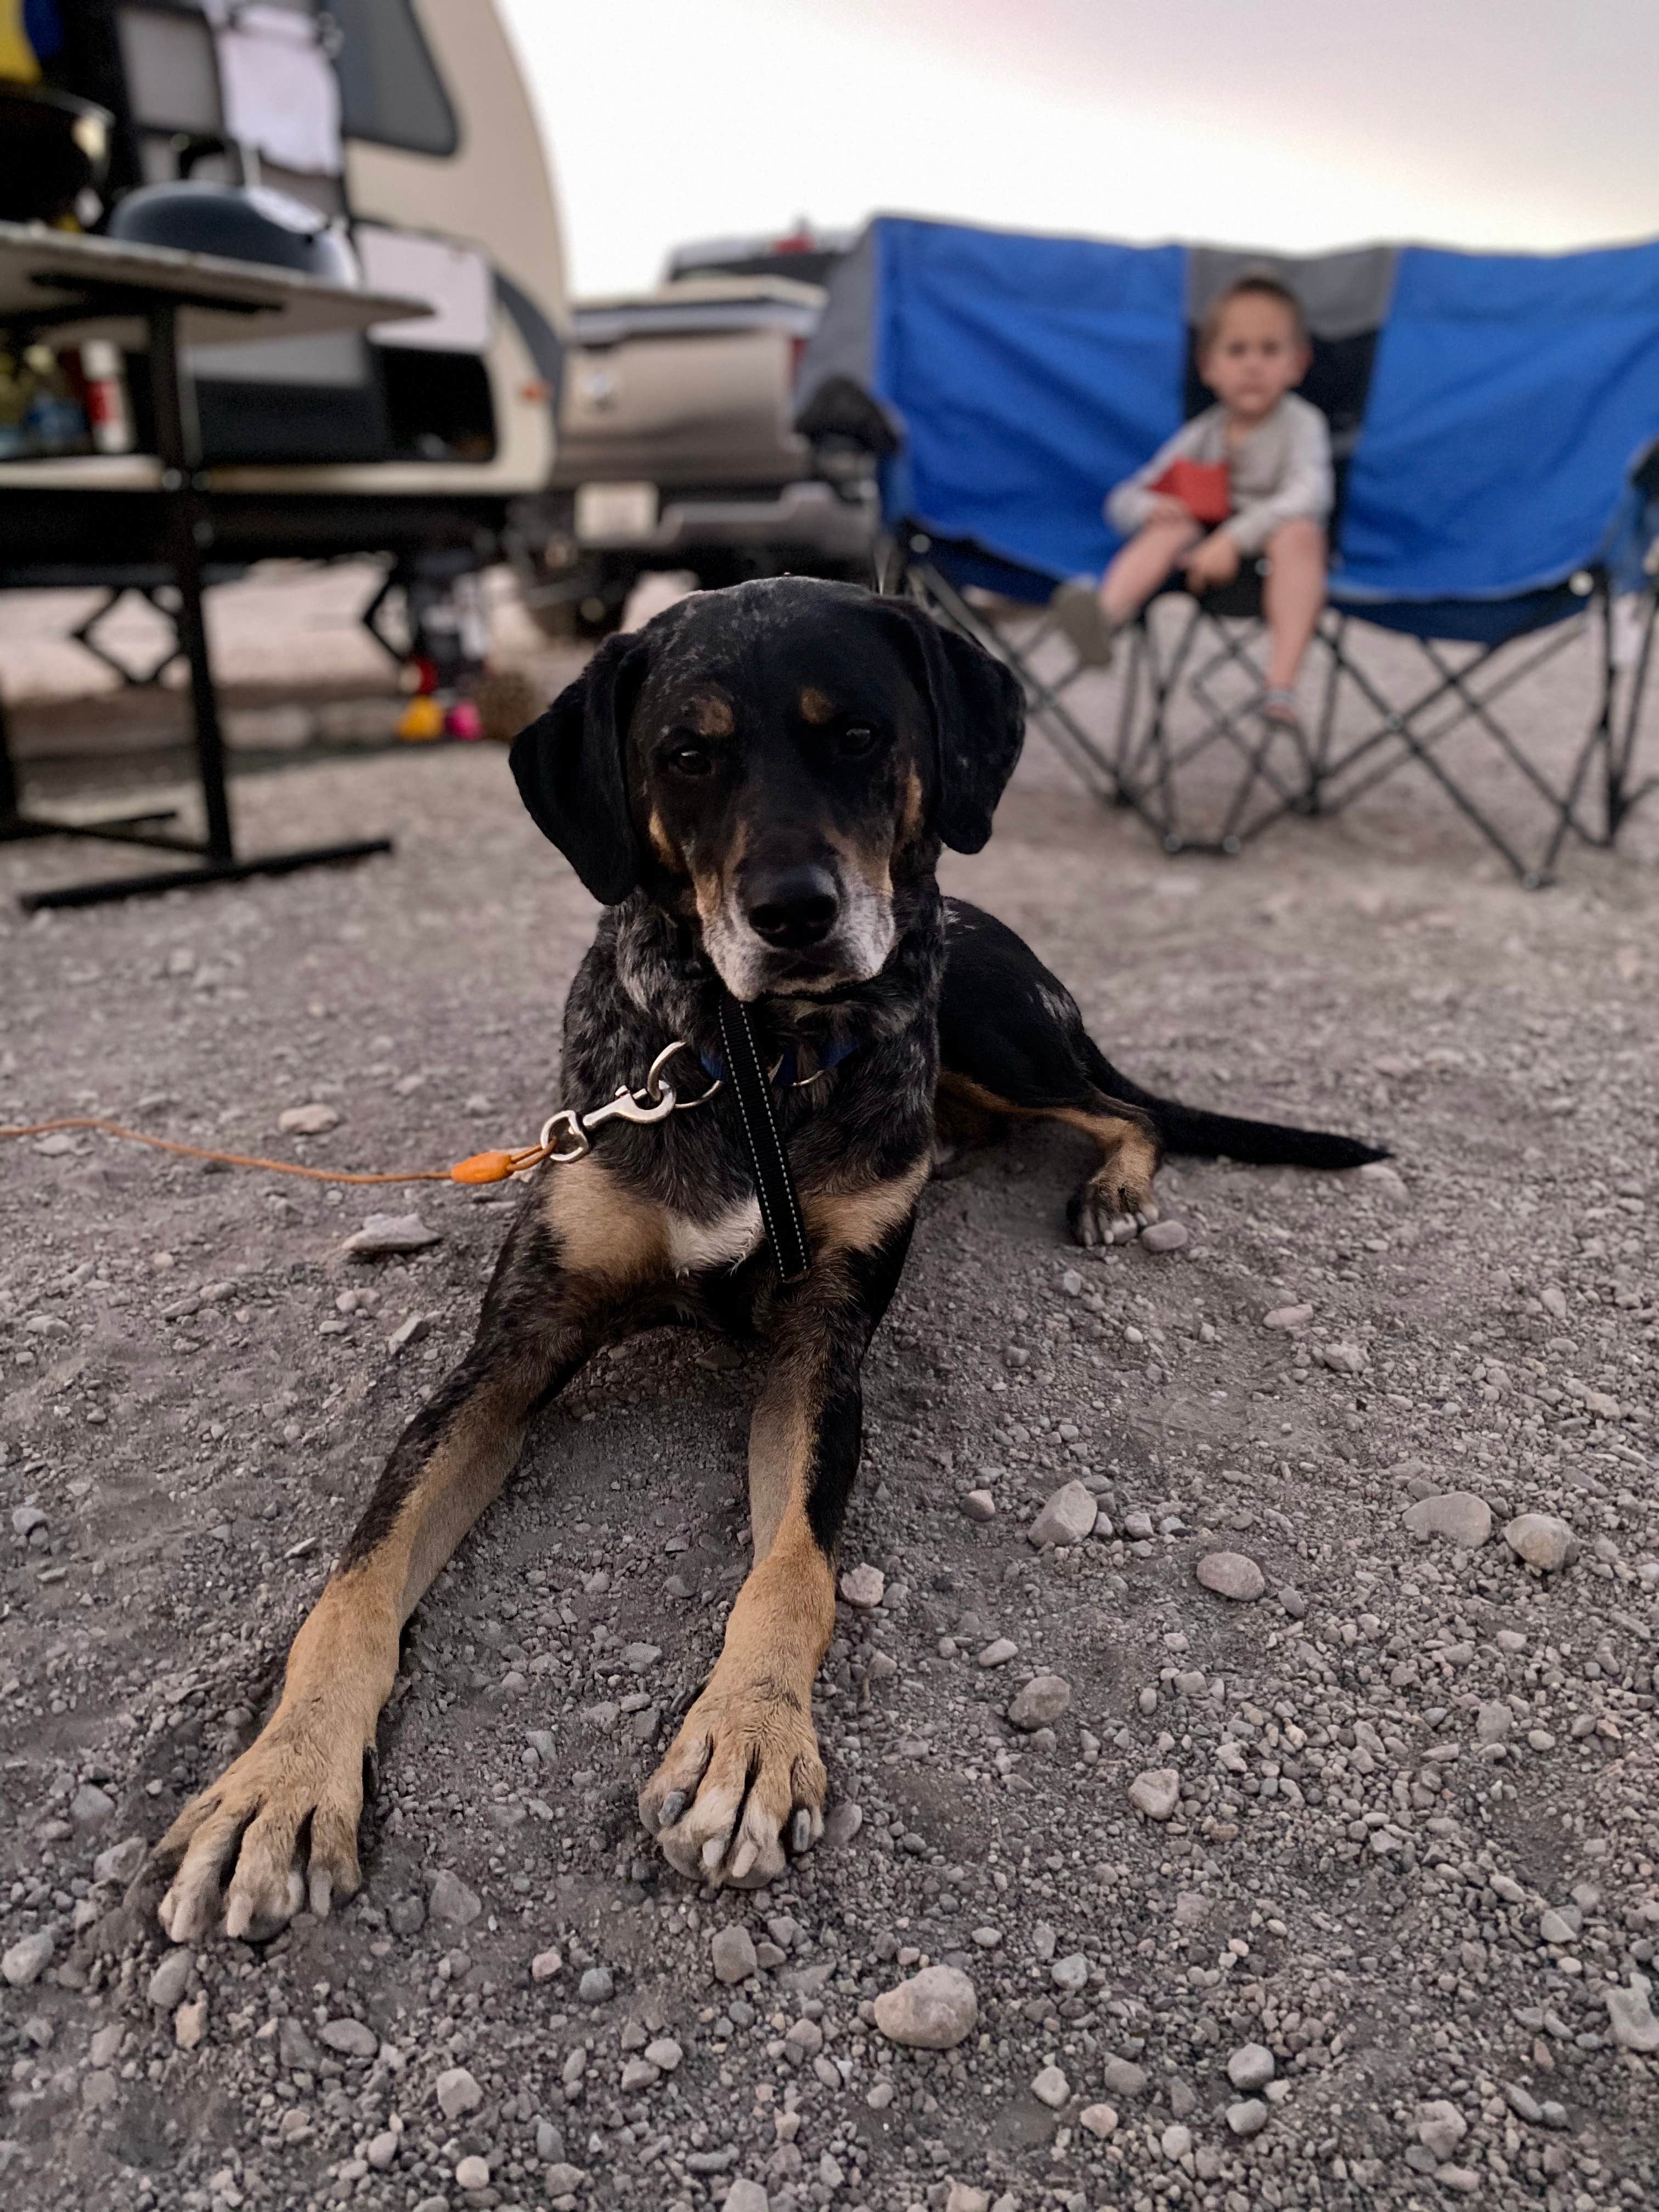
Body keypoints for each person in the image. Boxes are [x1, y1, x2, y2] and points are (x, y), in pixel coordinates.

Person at [1052, 272, 1331, 729]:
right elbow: (1124, 498)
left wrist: (1234, 540)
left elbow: (1312, 493)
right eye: (1237, 350)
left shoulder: (1303, 424)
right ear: (1208, 367)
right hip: (1198, 561)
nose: (1253, 365)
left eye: (1270, 350)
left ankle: (1280, 686)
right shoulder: (1203, 433)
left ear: (1297, 364)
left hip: (1273, 557)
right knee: (1170, 525)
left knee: (1301, 534)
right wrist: (1151, 509)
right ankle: (1103, 623)